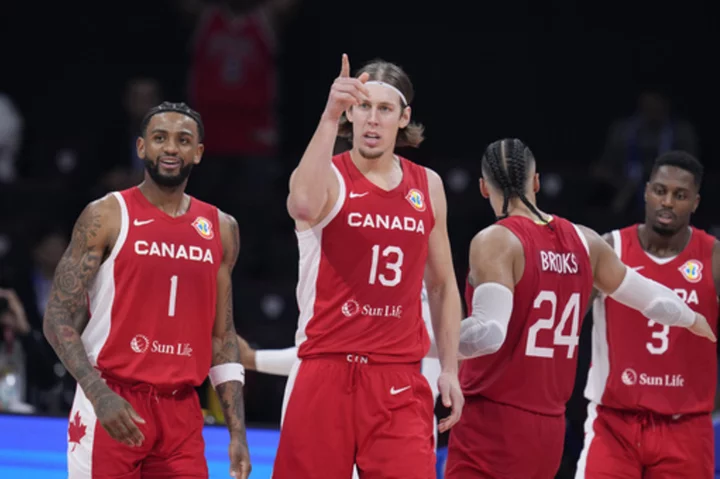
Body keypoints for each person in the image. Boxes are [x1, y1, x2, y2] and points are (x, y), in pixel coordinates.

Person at [441, 139, 714, 479]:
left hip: (493, 419)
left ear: (483, 188)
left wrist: (423, 341)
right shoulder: (586, 241)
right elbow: (655, 301)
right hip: (550, 427)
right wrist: (694, 319)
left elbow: (488, 334)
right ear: (536, 181)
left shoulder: (496, 240)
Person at [272, 54, 464, 478]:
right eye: (362, 107)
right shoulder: (328, 176)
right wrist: (327, 116)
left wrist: (450, 369)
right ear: (350, 114)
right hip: (326, 369)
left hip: (396, 378)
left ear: (403, 117)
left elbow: (443, 285)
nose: (372, 120)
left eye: (384, 109)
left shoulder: (427, 185)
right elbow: (301, 204)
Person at [42, 102, 251, 479]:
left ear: (198, 152)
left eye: (183, 140)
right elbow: (57, 317)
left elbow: (222, 336)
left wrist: (238, 431)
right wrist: (97, 393)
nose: (171, 148)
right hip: (112, 398)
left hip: (182, 411)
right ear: (141, 148)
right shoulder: (106, 214)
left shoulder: (221, 228)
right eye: (160, 138)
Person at [575, 151, 720, 478]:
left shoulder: (713, 257)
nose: (667, 201)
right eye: (660, 190)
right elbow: (568, 321)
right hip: (614, 424)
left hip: (687, 427)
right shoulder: (610, 247)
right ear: (645, 191)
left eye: (679, 195)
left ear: (695, 202)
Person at [237, 283, 445, 478]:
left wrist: (254, 358)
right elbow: (332, 355)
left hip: (404, 415)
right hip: (356, 407)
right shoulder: (364, 278)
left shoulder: (437, 287)